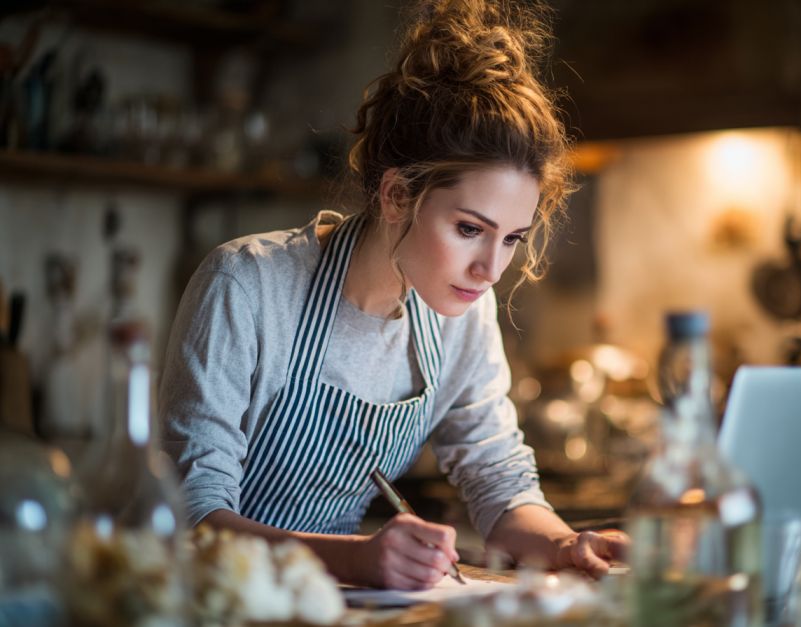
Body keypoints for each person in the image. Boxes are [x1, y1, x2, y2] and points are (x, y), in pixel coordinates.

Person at [159, 0, 627, 590]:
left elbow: (497, 479)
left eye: (512, 238)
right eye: (468, 229)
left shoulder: (461, 309)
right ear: (396, 195)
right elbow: (194, 514)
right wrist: (358, 560)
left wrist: (564, 544)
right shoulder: (247, 285)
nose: (490, 269)